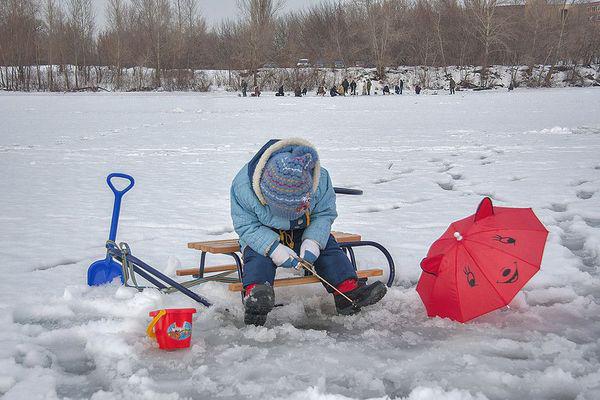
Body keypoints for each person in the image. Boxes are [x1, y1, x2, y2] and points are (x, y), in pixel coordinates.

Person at [230, 139, 388, 325]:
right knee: (257, 256)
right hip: (262, 232)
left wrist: (313, 241)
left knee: (328, 248)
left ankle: (347, 291)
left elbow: (323, 213)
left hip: (304, 228)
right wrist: (272, 248)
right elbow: (246, 226)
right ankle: (257, 295)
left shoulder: (319, 179)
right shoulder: (243, 187)